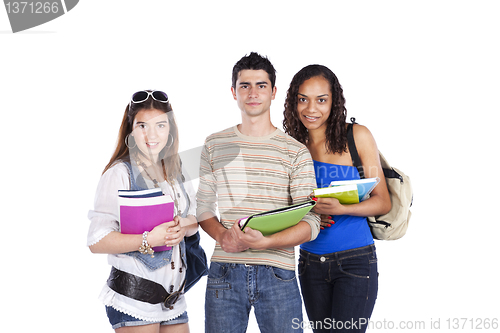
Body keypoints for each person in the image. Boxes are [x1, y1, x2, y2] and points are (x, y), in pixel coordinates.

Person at [196, 53, 321, 333]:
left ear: (274, 92)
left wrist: (267, 242)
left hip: (278, 273)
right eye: (245, 86)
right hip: (224, 271)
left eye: (261, 85)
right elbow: (203, 208)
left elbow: (312, 223)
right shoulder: (214, 144)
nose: (253, 93)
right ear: (233, 92)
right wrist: (223, 236)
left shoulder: (296, 151)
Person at [283, 65, 392, 333]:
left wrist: (342, 207)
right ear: (293, 101)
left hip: (355, 261)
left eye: (321, 100)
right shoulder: (291, 146)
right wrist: (308, 212)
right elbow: (286, 204)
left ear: (334, 102)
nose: (311, 108)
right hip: (310, 263)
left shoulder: (357, 136)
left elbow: (383, 202)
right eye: (303, 99)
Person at [87, 90, 201, 333]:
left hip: (174, 300)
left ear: (170, 129)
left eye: (160, 125)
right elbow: (97, 241)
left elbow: (195, 218)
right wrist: (148, 239)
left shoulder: (176, 170)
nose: (151, 135)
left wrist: (183, 227)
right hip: (135, 298)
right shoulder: (119, 174)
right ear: (131, 130)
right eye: (142, 126)